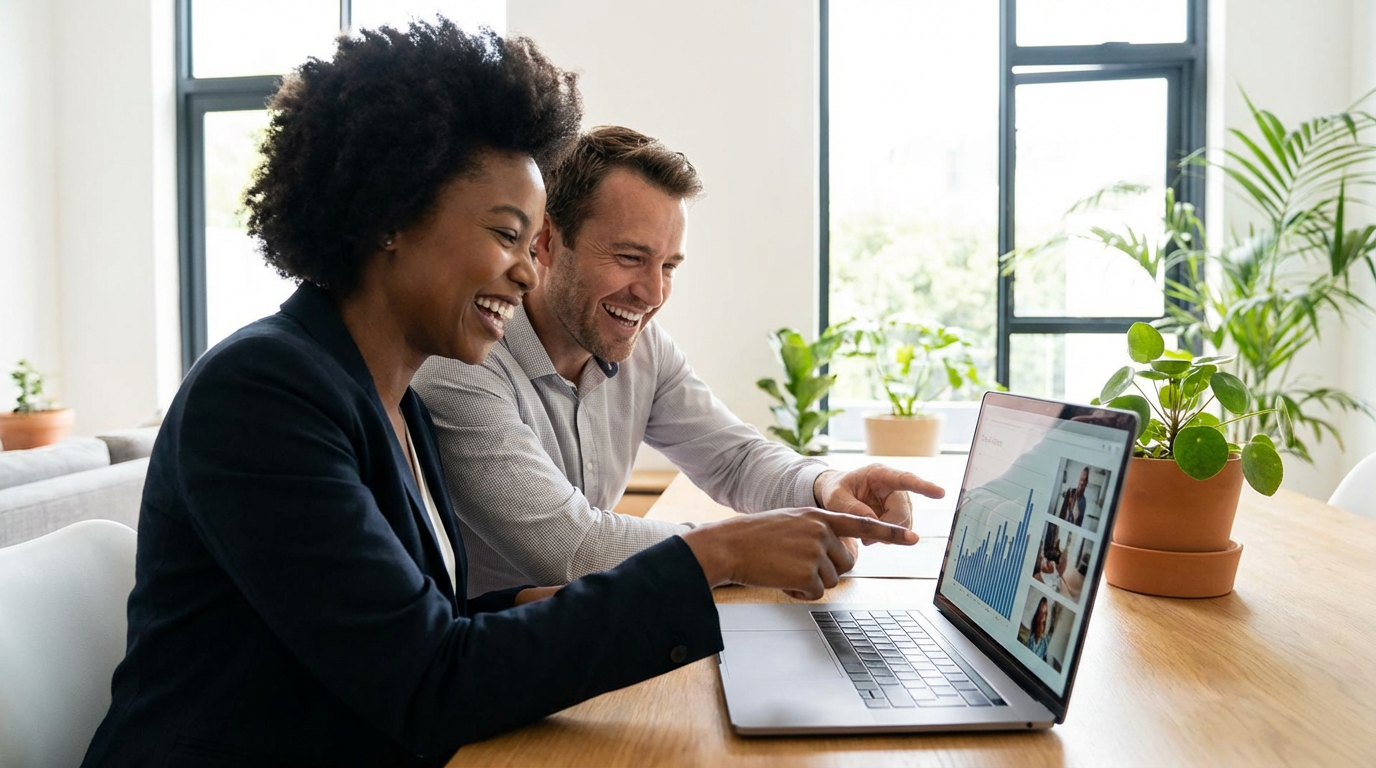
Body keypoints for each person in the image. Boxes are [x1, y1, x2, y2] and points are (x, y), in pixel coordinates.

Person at [80, 22, 915, 767]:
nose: (526, 267)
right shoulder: (262, 393)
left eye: (532, 239)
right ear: (390, 218)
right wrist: (716, 558)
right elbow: (429, 680)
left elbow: (422, 620)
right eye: (507, 235)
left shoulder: (387, 395)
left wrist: (538, 607)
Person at [413, 126, 943, 596]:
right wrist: (741, 548)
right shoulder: (462, 363)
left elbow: (734, 458)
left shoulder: (643, 346)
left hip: (592, 638)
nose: (652, 292)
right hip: (500, 666)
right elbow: (572, 549)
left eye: (669, 265)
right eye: (630, 257)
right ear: (546, 241)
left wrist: (825, 486)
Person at [1025, 597, 1051, 661]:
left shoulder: (1046, 641)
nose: (1043, 617)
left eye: (1045, 613)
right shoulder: (1031, 639)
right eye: (1041, 613)